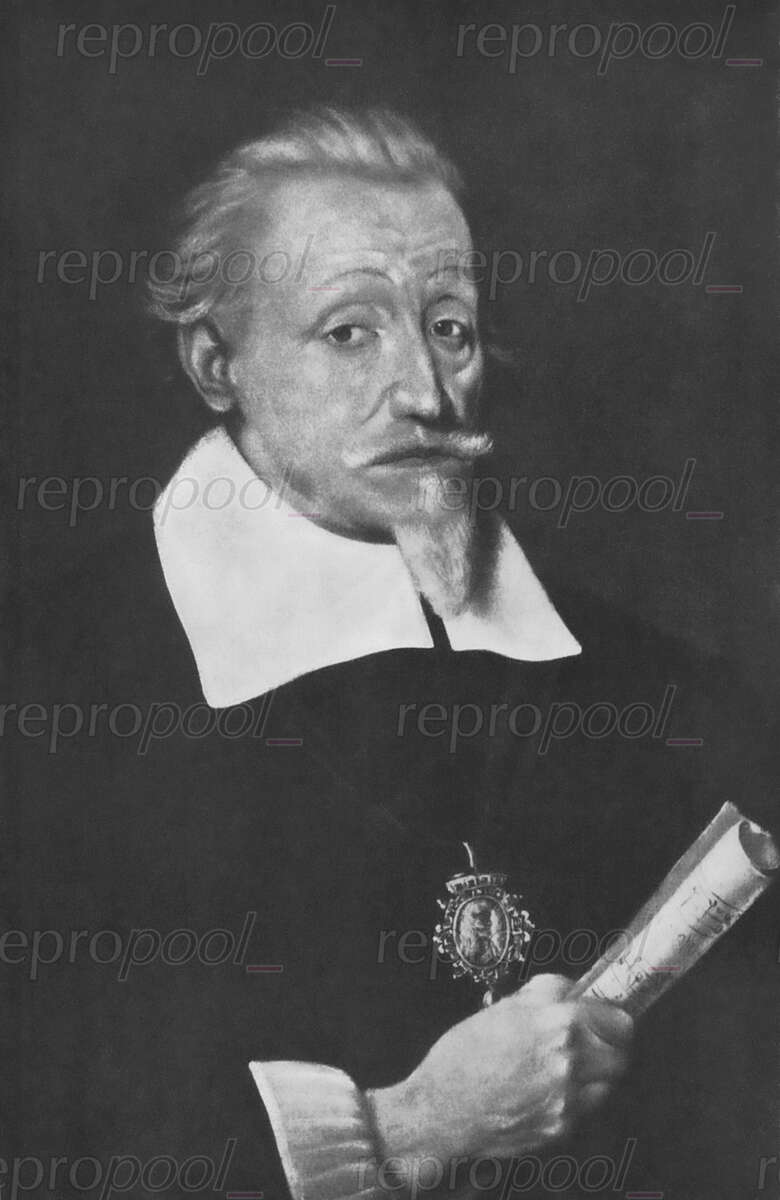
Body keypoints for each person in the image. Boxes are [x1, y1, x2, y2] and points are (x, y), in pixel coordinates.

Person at [13, 106, 777, 1200]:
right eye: (349, 333)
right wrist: (412, 1124)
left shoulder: (657, 688)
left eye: (450, 327)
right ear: (217, 362)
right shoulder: (51, 692)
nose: (426, 391)